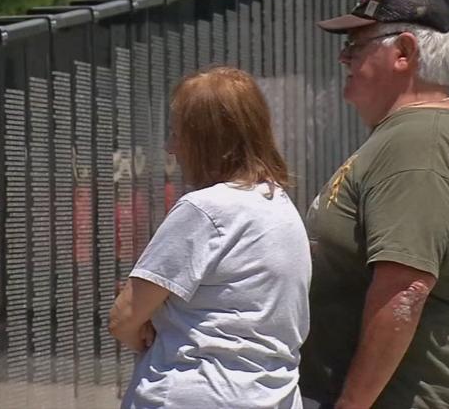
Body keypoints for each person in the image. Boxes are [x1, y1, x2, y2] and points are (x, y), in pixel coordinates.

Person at [299, 0, 449, 409]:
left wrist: (351, 404)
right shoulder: (409, 134)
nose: (344, 58)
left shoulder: (419, 141)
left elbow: (405, 288)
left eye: (356, 45)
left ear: (404, 52)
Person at [109, 66, 312, 408]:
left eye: (177, 134)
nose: (170, 148)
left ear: (206, 141)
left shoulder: (205, 209)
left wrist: (148, 325)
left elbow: (124, 317)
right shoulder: (280, 206)